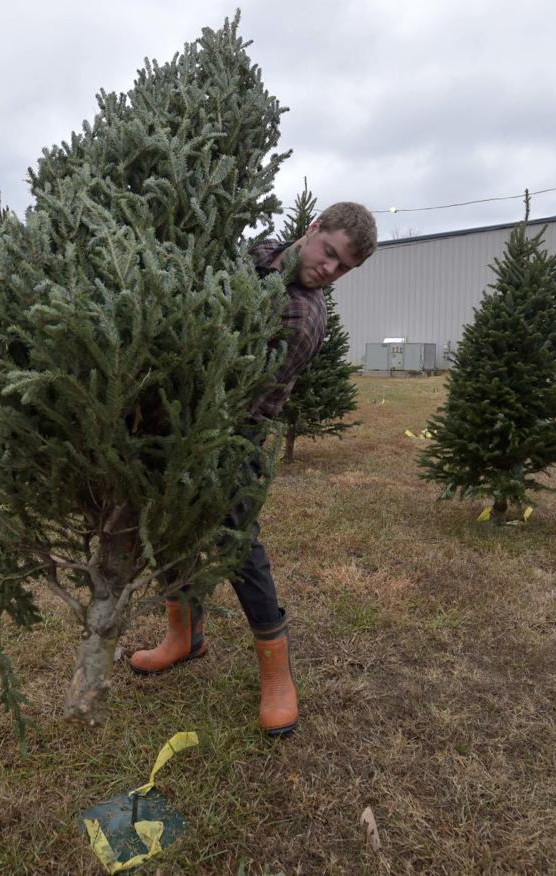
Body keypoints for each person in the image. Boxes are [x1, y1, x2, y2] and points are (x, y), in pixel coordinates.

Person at [129, 201, 378, 735]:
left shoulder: (303, 317)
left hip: (235, 428)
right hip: (178, 416)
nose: (329, 269)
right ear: (313, 228)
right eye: (329, 252)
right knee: (171, 524)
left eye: (343, 268)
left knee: (237, 543)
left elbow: (239, 389)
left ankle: (276, 674)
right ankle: (184, 635)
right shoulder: (259, 253)